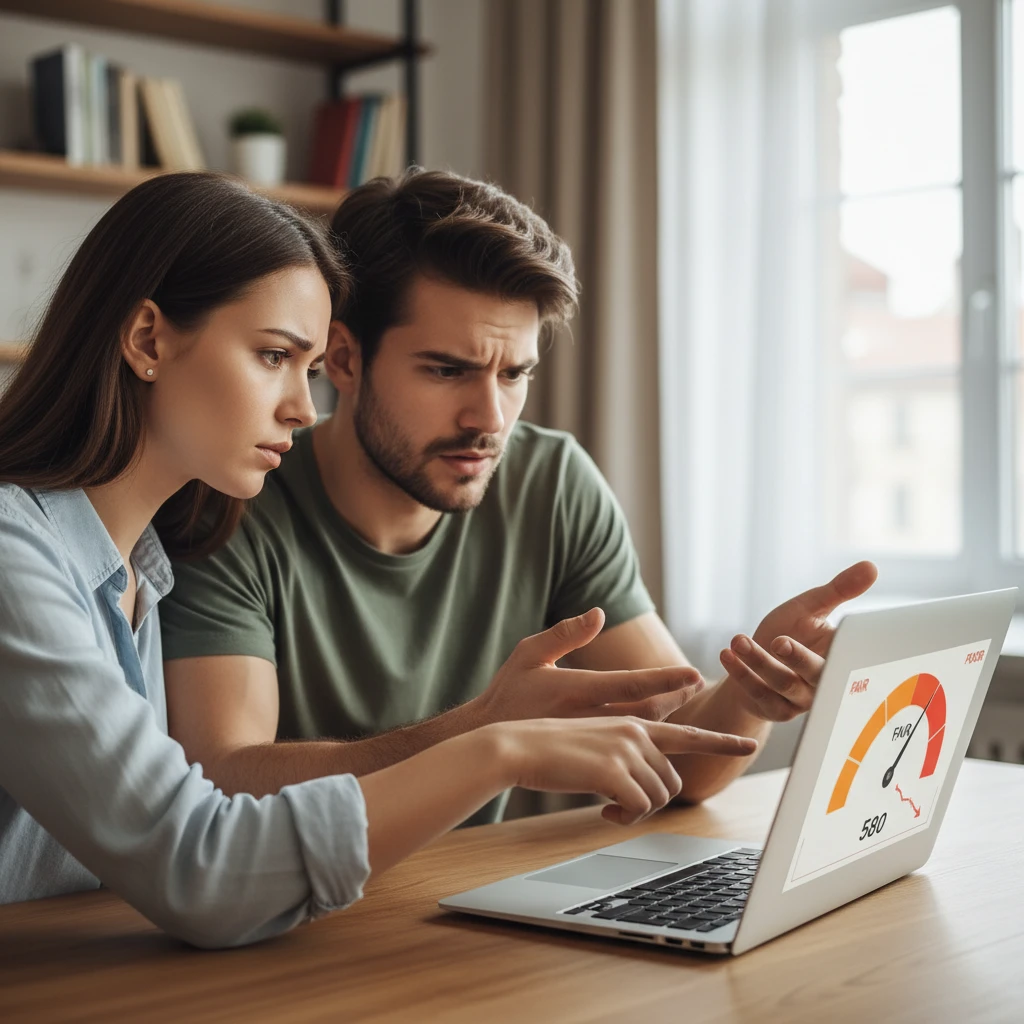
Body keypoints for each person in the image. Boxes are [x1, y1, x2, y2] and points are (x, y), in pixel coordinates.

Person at [0, 172, 758, 948]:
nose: (302, 406)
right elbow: (204, 863)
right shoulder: (23, 557)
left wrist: (755, 688)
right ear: (147, 339)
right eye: (272, 356)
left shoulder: (139, 564)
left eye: (306, 367)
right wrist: (492, 744)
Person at [160, 169, 877, 815]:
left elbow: (681, 765)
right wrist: (482, 732)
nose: (489, 421)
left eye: (513, 375)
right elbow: (222, 775)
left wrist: (749, 694)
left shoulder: (552, 482)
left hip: (488, 909)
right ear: (343, 358)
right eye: (447, 371)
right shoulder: (232, 497)